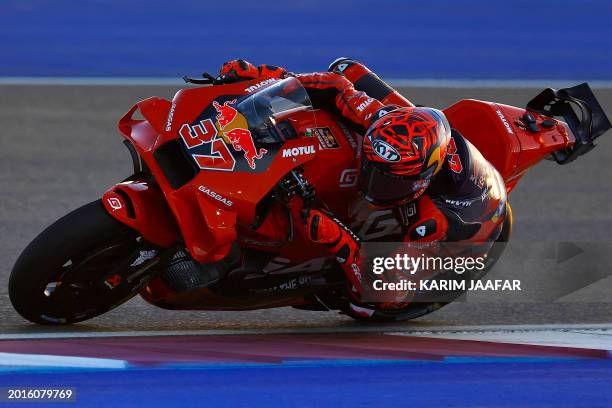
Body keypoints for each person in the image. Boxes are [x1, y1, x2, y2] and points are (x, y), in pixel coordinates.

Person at [216, 58, 508, 317]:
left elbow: (389, 291)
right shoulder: (379, 118)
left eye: (388, 180)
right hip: (420, 133)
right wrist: (261, 78)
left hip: (471, 218)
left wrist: (341, 240)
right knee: (345, 68)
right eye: (371, 169)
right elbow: (332, 84)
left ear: (421, 180)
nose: (373, 183)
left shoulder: (432, 221)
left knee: (366, 306)